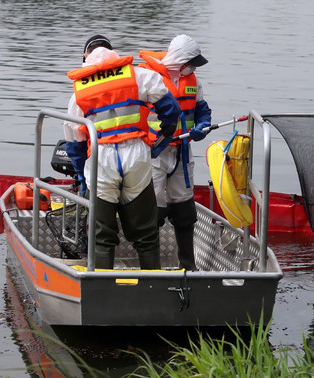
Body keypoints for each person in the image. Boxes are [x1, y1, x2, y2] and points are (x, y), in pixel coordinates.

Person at [63, 35, 180, 270]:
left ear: (86, 57)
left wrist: (80, 174)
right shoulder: (139, 75)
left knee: (101, 234)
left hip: (101, 159)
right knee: (146, 233)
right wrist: (161, 137)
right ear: (113, 52)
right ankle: (152, 285)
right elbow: (171, 109)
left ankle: (102, 288)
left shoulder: (79, 92)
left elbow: (75, 142)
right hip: (136, 156)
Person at [138, 35, 212, 271]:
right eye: (190, 62)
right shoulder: (145, 77)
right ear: (180, 59)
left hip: (182, 150)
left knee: (184, 208)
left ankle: (188, 267)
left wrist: (203, 126)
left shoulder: (193, 80)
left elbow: (202, 109)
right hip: (154, 151)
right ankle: (151, 268)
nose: (193, 67)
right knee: (153, 207)